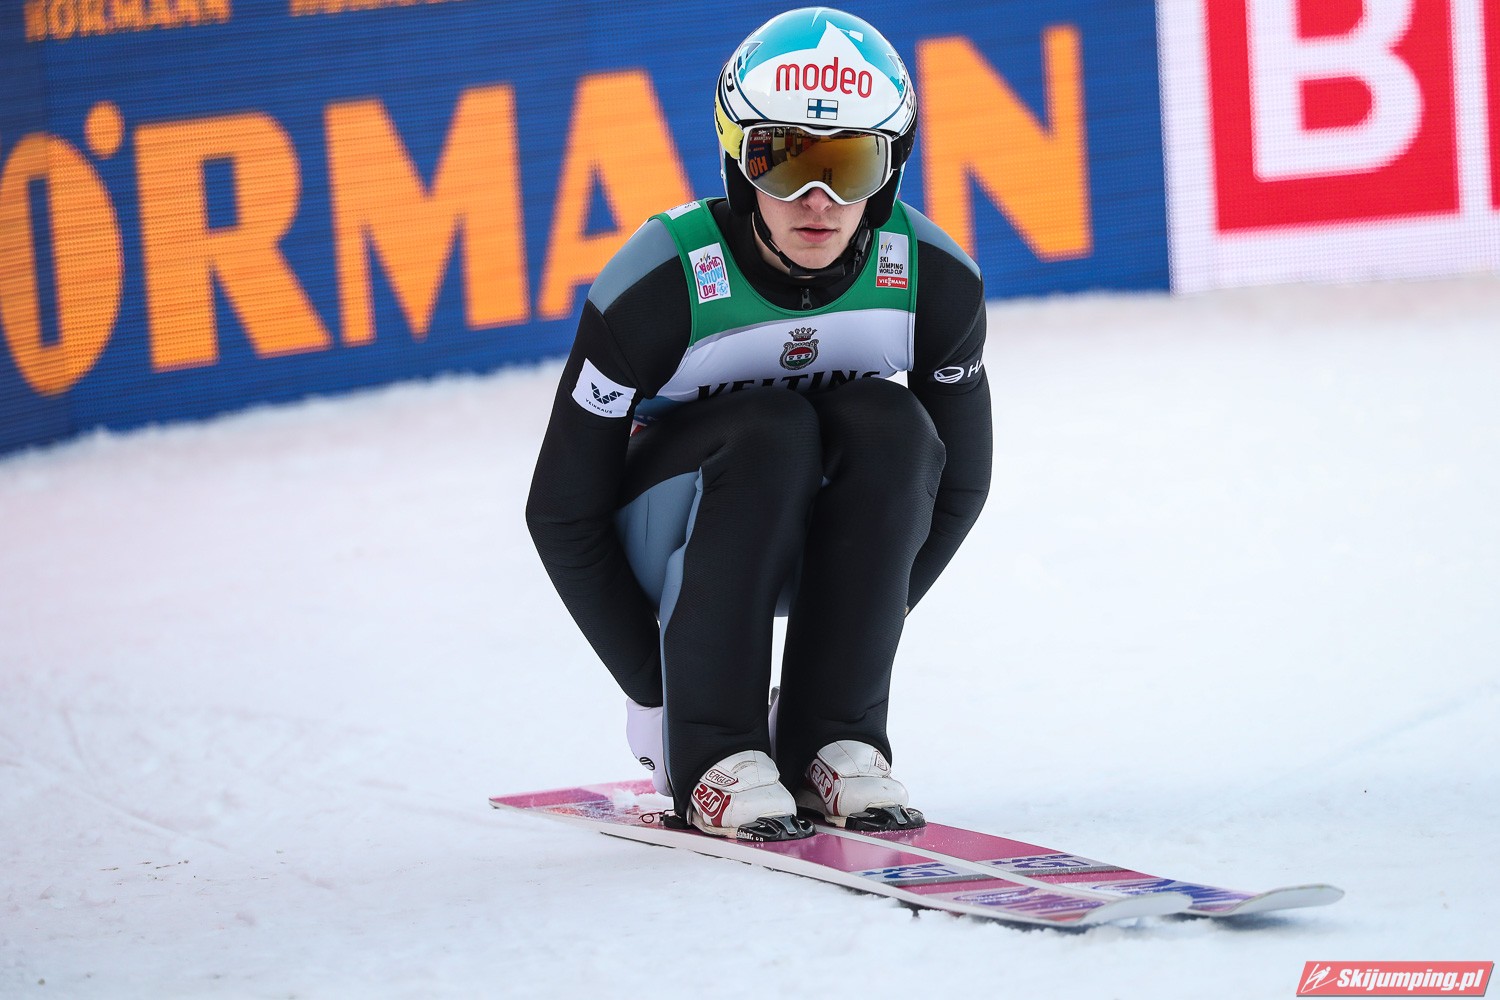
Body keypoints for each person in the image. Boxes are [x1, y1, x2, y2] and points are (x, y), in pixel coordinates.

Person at [526, 7, 991, 842]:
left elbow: (957, 485)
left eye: (850, 166)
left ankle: (832, 736)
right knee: (772, 430)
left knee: (892, 425)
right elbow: (561, 513)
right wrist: (658, 692)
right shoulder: (660, 283)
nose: (819, 202)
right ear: (740, 164)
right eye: (785, 162)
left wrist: (853, 638)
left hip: (800, 536)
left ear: (889, 172)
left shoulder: (934, 279)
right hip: (664, 537)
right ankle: (716, 748)